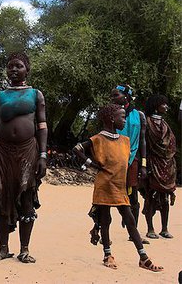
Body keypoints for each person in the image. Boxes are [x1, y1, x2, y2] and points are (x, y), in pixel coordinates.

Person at [73, 104, 163, 272]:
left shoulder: (125, 141)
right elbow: (77, 149)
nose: (124, 120)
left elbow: (125, 163)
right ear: (111, 119)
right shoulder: (98, 139)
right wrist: (91, 164)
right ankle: (107, 254)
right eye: (122, 117)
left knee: (130, 220)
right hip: (104, 185)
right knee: (105, 220)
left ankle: (143, 257)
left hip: (120, 186)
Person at [0, 52, 47, 264]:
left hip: (28, 152)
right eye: (10, 66)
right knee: (1, 196)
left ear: (27, 70)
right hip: (2, 153)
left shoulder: (36, 95)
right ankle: (3, 248)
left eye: (18, 66)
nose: (13, 69)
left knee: (26, 196)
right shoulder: (0, 96)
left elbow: (42, 127)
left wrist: (43, 156)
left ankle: (25, 249)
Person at [110, 84, 149, 244]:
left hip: (133, 160)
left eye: (116, 95)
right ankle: (101, 230)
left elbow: (142, 140)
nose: (112, 98)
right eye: (112, 96)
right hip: (113, 159)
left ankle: (134, 233)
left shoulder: (139, 116)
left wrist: (144, 164)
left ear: (126, 96)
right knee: (108, 195)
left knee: (132, 196)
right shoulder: (110, 114)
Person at [143, 95, 177, 239]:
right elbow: (143, 142)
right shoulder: (148, 122)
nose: (166, 107)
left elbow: (172, 143)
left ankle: (164, 228)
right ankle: (150, 228)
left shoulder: (165, 124)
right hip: (153, 163)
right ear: (157, 106)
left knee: (165, 198)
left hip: (167, 165)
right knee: (150, 196)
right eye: (164, 104)